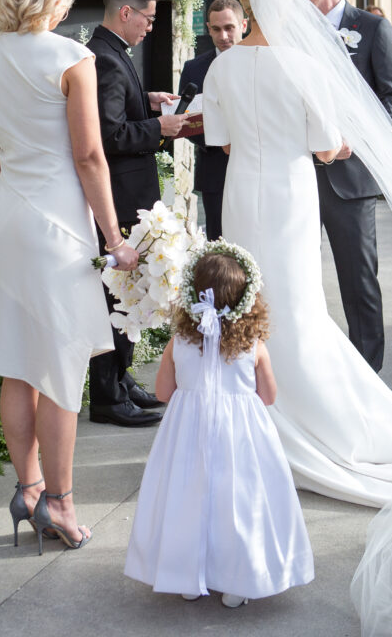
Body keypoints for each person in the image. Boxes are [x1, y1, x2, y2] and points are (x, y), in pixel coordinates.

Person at [203, 0, 392, 635]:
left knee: (251, 305)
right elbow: (325, 144)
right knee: (299, 307)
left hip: (240, 194)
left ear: (242, 8)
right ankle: (321, 418)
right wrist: (332, 142)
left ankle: (264, 414)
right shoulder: (301, 67)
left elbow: (217, 141)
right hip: (287, 190)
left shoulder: (219, 70)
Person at [0, 0, 139, 553]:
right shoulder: (73, 56)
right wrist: (115, 238)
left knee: (20, 362)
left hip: (12, 217)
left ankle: (30, 489)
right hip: (59, 227)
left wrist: (20, 194)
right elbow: (90, 154)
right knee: (62, 367)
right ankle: (62, 507)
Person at [124, 244, 314, 607]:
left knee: (187, 495)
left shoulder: (178, 342)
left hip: (187, 434)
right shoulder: (254, 347)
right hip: (240, 436)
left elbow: (163, 392)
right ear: (247, 299)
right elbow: (269, 397)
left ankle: (186, 575)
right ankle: (239, 580)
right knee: (239, 500)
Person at [278, 0, 392, 371]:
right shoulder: (288, 31)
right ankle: (307, 370)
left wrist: (352, 134)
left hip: (349, 181)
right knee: (296, 276)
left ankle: (368, 373)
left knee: (358, 282)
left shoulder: (371, 29)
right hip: (294, 172)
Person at [87, 0, 188, 426]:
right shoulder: (105, 59)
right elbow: (107, 135)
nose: (151, 26)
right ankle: (107, 396)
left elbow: (116, 110)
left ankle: (121, 377)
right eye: (147, 17)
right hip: (122, 197)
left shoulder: (112, 52)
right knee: (118, 294)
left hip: (129, 192)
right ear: (124, 12)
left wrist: (145, 102)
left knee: (126, 292)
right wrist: (159, 128)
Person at [179, 0, 247, 239]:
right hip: (215, 171)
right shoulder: (193, 68)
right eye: (216, 29)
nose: (224, 36)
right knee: (219, 243)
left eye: (230, 28)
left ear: (244, 25)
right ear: (208, 28)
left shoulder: (262, 62)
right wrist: (222, 139)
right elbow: (188, 122)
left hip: (257, 167)